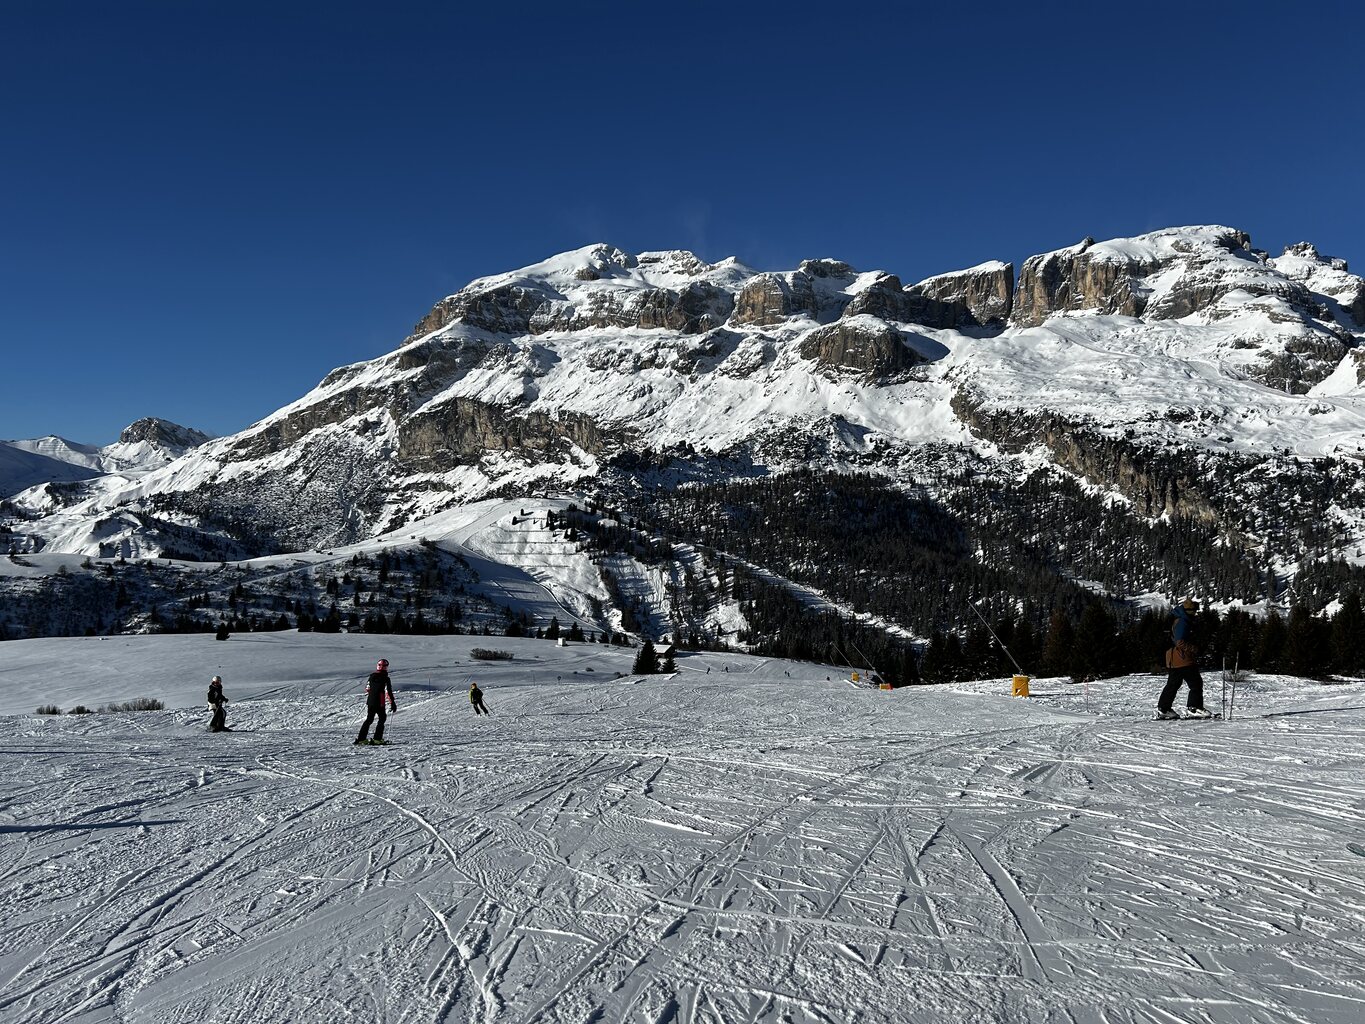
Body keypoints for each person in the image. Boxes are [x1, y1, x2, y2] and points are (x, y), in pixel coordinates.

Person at [1157, 598, 1212, 719]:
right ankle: (1194, 708)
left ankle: (1164, 709)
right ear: (1189, 610)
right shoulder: (1183, 621)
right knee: (1195, 683)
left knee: (1173, 684)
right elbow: (1180, 642)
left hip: (1172, 658)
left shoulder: (1177, 618)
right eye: (1194, 611)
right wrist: (1195, 649)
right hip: (1182, 658)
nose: (1195, 613)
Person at [355, 658, 397, 744]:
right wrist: (392, 703)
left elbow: (367, 689)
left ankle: (361, 739)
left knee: (369, 719)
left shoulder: (371, 676)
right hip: (380, 702)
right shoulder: (386, 678)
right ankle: (377, 739)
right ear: (386, 667)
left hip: (370, 701)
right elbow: (388, 692)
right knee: (382, 719)